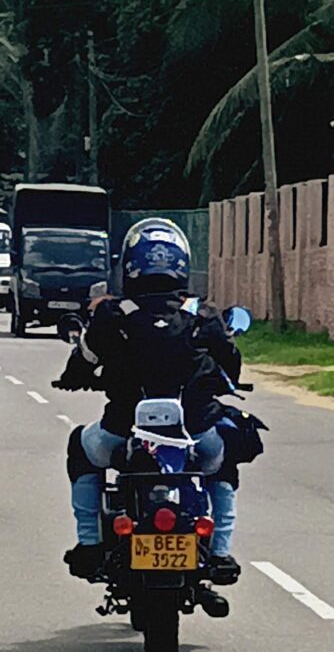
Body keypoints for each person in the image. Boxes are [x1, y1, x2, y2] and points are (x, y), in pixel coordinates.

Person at [59, 218, 242, 587]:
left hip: (122, 434)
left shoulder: (112, 314)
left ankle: (89, 544)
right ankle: (221, 552)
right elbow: (232, 364)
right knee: (226, 460)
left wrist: (73, 379)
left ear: (130, 263)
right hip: (196, 435)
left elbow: (82, 361)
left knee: (80, 447)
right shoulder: (202, 314)